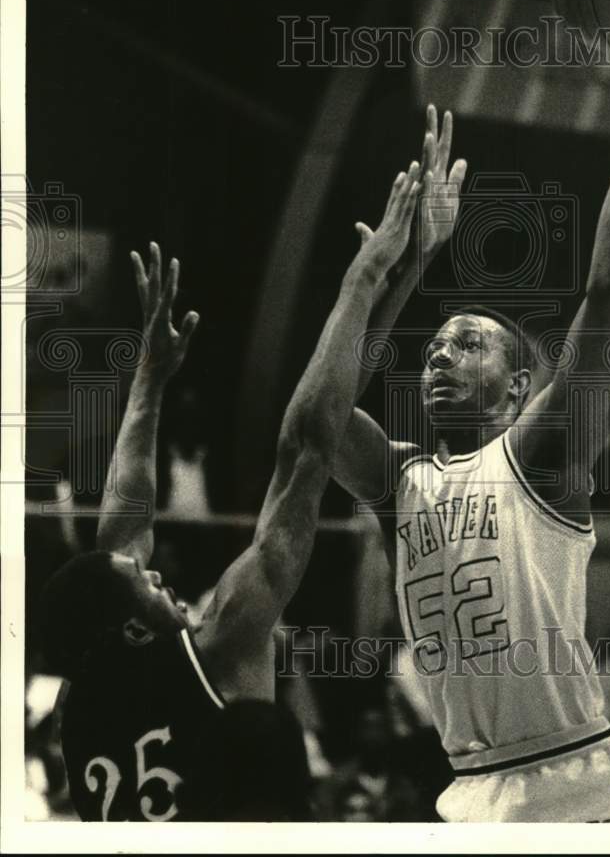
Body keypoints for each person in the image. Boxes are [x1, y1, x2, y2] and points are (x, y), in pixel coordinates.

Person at [333, 0, 610, 822]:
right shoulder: (399, 483)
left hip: (581, 778)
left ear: (519, 385)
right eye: (432, 343)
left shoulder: (540, 454)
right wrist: (396, 269)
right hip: (469, 792)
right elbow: (320, 416)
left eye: (467, 342)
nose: (438, 354)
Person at [41, 163, 424, 822]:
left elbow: (119, 533)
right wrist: (366, 280)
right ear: (132, 626)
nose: (155, 571)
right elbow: (308, 445)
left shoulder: (83, 700)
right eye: (145, 579)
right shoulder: (221, 641)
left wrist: (150, 382)